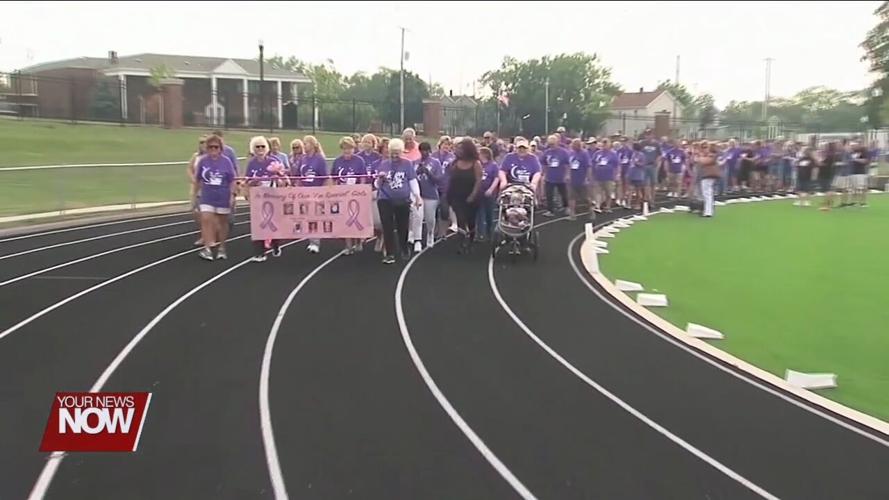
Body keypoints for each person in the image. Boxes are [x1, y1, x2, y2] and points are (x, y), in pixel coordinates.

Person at [375, 139, 421, 264]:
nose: (395, 156)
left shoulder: (407, 164)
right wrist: (380, 179)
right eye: (392, 153)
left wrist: (417, 196)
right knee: (387, 226)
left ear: (402, 152)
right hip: (385, 198)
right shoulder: (383, 164)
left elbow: (412, 180)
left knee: (402, 226)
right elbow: (377, 185)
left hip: (403, 200)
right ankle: (390, 253)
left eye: (397, 153)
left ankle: (404, 247)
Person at [244, 136, 287, 262]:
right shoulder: (251, 163)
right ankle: (260, 252)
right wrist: (253, 184)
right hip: (258, 197)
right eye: (257, 147)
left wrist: (278, 178)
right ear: (253, 149)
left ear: (266, 148)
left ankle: (275, 244)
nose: (260, 149)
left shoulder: (274, 161)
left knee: (272, 222)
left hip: (272, 196)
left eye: (262, 146)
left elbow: (283, 180)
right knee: (258, 224)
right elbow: (247, 180)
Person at [194, 134, 237, 261]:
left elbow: (232, 180)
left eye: (216, 147)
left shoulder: (226, 161)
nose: (213, 150)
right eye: (210, 147)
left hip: (222, 196)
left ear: (220, 148)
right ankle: (207, 248)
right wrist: (195, 196)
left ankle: (222, 247)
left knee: (222, 223)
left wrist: (232, 196)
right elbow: (197, 179)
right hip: (207, 196)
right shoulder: (203, 161)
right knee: (206, 219)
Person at [332, 136, 369, 255]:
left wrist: (361, 190)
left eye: (349, 148)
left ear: (353, 148)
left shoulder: (359, 160)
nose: (347, 151)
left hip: (356, 194)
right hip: (342, 194)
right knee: (344, 220)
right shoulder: (337, 161)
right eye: (345, 149)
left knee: (356, 218)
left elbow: (363, 177)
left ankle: (358, 241)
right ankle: (348, 245)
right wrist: (334, 191)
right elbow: (334, 178)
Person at [447, 139, 483, 254]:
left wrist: (472, 195)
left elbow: (478, 181)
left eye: (460, 148)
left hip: (471, 197)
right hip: (457, 197)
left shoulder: (476, 164)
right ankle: (461, 243)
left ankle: (471, 240)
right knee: (461, 220)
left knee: (471, 221)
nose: (457, 150)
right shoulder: (454, 163)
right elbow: (450, 180)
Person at [298, 135, 330, 254]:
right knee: (307, 217)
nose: (304, 146)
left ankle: (315, 242)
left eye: (306, 143)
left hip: (316, 192)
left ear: (312, 145)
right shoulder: (303, 159)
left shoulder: (319, 159)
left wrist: (322, 192)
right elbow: (298, 176)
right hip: (304, 192)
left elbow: (325, 177)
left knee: (315, 217)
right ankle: (311, 240)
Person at [412, 141, 443, 250]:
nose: (424, 153)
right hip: (418, 195)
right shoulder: (415, 162)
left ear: (430, 151)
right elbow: (411, 178)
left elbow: (439, 180)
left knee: (430, 218)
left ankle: (430, 233)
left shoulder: (436, 163)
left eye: (426, 150)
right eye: (422, 150)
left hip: (431, 194)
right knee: (418, 218)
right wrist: (418, 172)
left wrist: (428, 172)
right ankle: (418, 239)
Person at [432, 136, 457, 238]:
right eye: (444, 144)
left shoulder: (452, 157)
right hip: (434, 185)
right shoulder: (433, 156)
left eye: (448, 145)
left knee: (444, 209)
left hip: (446, 186)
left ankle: (443, 231)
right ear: (440, 145)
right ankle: (435, 229)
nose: (446, 146)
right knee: (433, 210)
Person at [187, 135, 208, 247]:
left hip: (207, 189)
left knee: (205, 213)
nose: (202, 144)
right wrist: (193, 179)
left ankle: (205, 236)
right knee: (195, 212)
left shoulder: (211, 157)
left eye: (204, 142)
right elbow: (189, 168)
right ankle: (204, 233)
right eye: (201, 142)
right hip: (196, 188)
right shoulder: (196, 156)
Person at [541, 134, 570, 216]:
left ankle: (566, 206)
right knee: (549, 194)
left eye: (553, 144)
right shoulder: (547, 152)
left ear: (557, 143)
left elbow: (567, 164)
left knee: (563, 193)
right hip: (550, 177)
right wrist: (543, 174)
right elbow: (544, 163)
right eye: (550, 144)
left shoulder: (563, 152)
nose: (551, 146)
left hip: (561, 176)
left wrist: (567, 175)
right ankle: (550, 210)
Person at [476, 146, 500, 240]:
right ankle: (480, 233)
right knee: (479, 213)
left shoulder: (493, 165)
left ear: (485, 155)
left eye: (480, 153)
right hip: (479, 192)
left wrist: (491, 189)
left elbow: (496, 178)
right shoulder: (477, 164)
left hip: (490, 193)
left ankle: (490, 232)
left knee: (489, 214)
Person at [568, 138, 592, 220]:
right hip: (573, 179)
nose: (573, 146)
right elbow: (569, 165)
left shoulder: (584, 154)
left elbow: (588, 166)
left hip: (582, 178)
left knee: (585, 198)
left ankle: (591, 211)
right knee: (571, 197)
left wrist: (588, 178)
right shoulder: (571, 153)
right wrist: (567, 175)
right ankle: (572, 214)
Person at [592, 138, 619, 213]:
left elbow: (617, 165)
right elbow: (593, 163)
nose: (604, 145)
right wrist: (592, 173)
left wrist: (617, 175)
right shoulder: (597, 153)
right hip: (598, 176)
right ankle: (597, 205)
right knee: (598, 192)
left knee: (608, 192)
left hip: (609, 176)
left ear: (609, 144)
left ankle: (607, 206)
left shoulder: (613, 154)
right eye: (603, 143)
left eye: (606, 143)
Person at [697, 142, 720, 218]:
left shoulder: (712, 155)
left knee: (707, 194)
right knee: (708, 193)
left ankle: (708, 212)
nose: (704, 149)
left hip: (708, 175)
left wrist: (700, 156)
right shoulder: (709, 155)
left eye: (705, 147)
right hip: (706, 175)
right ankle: (707, 211)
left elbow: (704, 162)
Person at [639, 132, 661, 204]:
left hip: (653, 165)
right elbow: (638, 153)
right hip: (644, 165)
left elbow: (659, 154)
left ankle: (653, 198)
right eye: (647, 135)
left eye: (650, 134)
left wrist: (657, 161)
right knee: (646, 183)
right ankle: (648, 197)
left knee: (653, 183)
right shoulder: (642, 143)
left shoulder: (656, 144)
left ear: (652, 135)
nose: (648, 136)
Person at [818, 142, 838, 211]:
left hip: (826, 174)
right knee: (828, 189)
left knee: (827, 189)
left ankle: (827, 204)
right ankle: (829, 202)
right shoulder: (831, 154)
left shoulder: (829, 155)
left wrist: (817, 161)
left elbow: (822, 163)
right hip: (828, 173)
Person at [850, 141, 870, 207]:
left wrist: (856, 160)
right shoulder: (851, 153)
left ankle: (863, 202)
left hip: (861, 172)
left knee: (862, 188)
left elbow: (866, 161)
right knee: (854, 188)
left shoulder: (864, 152)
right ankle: (854, 202)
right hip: (853, 172)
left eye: (855, 145)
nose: (853, 147)